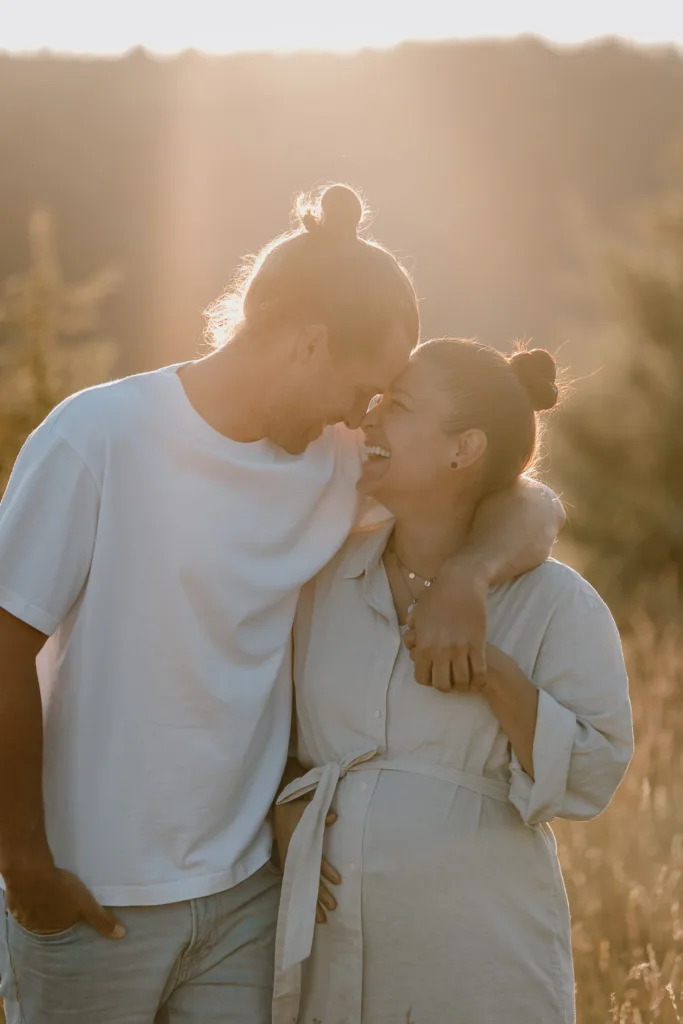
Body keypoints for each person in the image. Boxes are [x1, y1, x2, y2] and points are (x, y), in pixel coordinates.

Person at [0, 185, 564, 1024]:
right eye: (363, 386)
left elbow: (527, 503)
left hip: (247, 900)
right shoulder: (99, 436)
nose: (362, 413)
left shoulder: (333, 461)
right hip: (91, 896)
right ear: (308, 344)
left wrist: (467, 576)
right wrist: (26, 867)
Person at [273, 339, 634, 1024]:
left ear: (461, 449)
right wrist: (280, 803)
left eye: (399, 405)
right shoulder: (324, 582)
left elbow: (591, 774)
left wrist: (490, 671)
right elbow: (271, 725)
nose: (370, 418)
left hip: (474, 951)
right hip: (325, 942)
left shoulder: (556, 603)